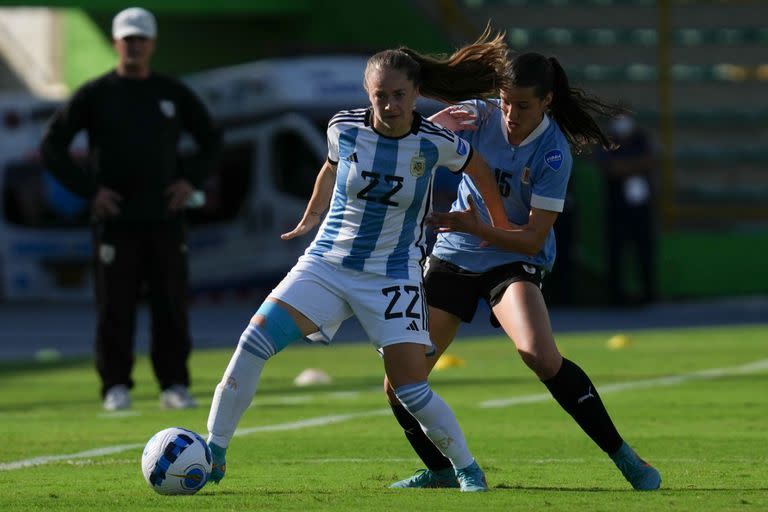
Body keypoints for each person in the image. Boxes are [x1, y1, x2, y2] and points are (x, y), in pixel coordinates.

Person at [204, 30, 514, 492]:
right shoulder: (343, 127)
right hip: (327, 264)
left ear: (415, 94)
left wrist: (497, 224)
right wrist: (310, 216)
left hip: (392, 276)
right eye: (380, 95)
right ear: (367, 94)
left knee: (410, 388)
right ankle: (214, 452)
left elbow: (479, 168)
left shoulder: (436, 142)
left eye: (398, 95)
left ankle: (467, 470)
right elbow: (330, 167)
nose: (389, 105)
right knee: (252, 343)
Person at [384, 52, 662, 491]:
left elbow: (532, 239)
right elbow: (419, 137)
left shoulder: (553, 154)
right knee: (399, 380)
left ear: (547, 100)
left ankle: (625, 457)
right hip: (454, 255)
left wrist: (480, 226)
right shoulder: (479, 116)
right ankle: (440, 470)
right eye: (505, 101)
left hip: (512, 260)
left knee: (539, 354)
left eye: (524, 105)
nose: (511, 114)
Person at [40, 7, 220, 411]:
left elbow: (211, 139)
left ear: (152, 43)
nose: (134, 45)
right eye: (128, 38)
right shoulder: (95, 94)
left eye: (141, 38)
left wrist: (189, 180)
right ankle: (114, 386)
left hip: (165, 220)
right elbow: (53, 144)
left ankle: (174, 383)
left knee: (170, 304)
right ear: (116, 42)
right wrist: (90, 191)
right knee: (114, 308)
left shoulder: (172, 93)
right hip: (115, 222)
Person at [596, 113, 658, 306]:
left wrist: (626, 166)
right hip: (617, 208)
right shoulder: (608, 142)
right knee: (616, 252)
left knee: (645, 250)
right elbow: (611, 168)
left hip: (641, 207)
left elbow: (650, 160)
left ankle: (649, 294)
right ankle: (616, 296)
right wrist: (636, 165)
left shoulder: (641, 138)